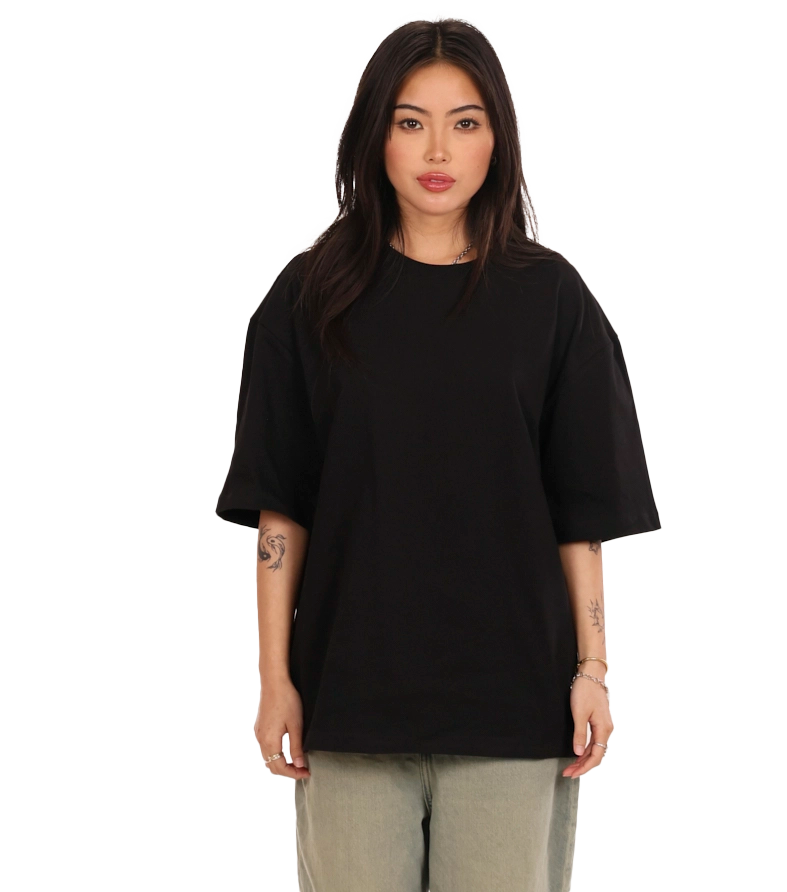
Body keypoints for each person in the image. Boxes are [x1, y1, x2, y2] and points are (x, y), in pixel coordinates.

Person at [215, 15, 661, 892]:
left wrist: (592, 670)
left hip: (513, 702)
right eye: (410, 121)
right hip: (350, 700)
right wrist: (274, 681)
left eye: (464, 122)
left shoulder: (550, 300)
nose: (437, 150)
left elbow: (578, 510)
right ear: (373, 134)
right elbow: (281, 510)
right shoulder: (308, 299)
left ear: (498, 137)